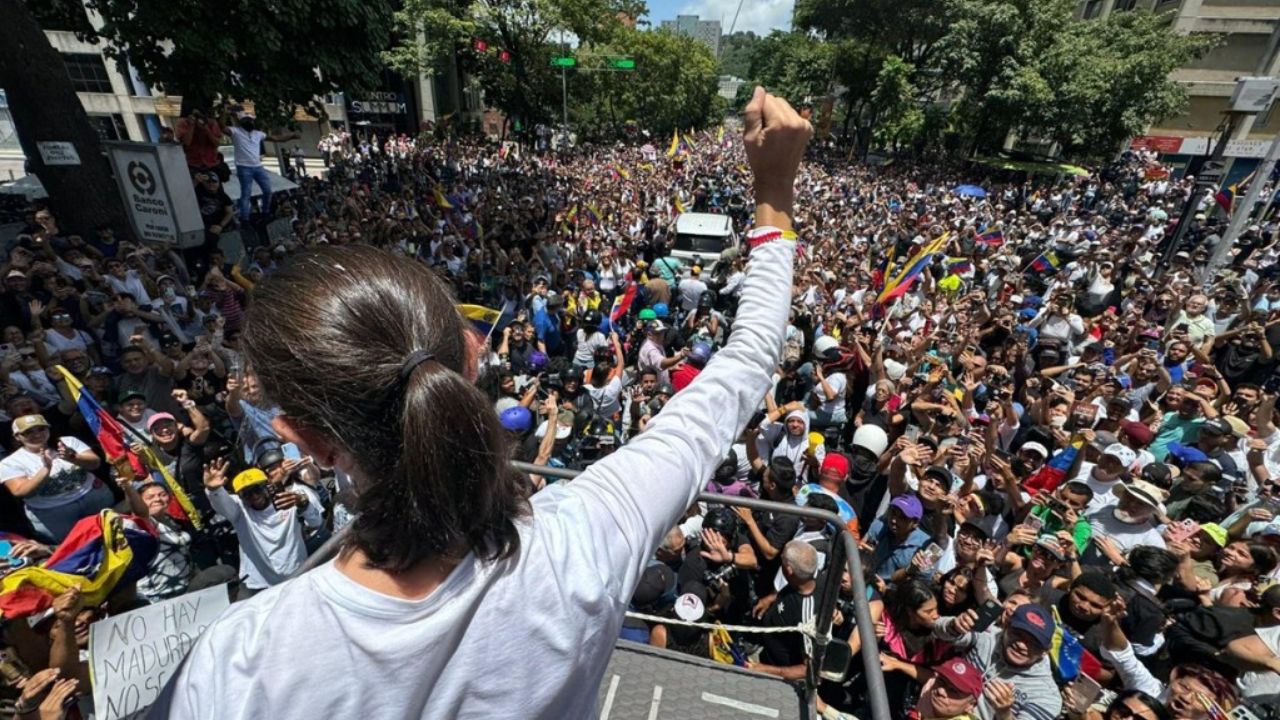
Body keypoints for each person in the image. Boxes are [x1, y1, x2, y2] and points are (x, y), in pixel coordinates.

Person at [151, 86, 813, 717]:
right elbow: (748, 357)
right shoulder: (585, 539)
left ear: (302, 436)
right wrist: (774, 193)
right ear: (472, 357)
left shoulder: (236, 666)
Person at [0, 414, 108, 541]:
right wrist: (45, 469)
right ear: (17, 437)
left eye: (41, 429)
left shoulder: (68, 442)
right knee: (73, 547)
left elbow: (95, 463)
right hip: (54, 514)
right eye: (28, 432)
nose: (37, 434)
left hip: (92, 497)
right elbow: (20, 492)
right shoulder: (10, 463)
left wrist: (73, 458)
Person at [225, 111, 300, 222]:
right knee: (246, 193)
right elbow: (222, 128)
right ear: (241, 122)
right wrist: (225, 112)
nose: (249, 122)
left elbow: (276, 138)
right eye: (247, 120)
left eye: (250, 120)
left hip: (258, 166)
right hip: (244, 167)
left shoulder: (258, 134)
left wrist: (292, 136)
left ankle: (265, 212)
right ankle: (245, 219)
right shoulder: (235, 131)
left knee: (268, 191)